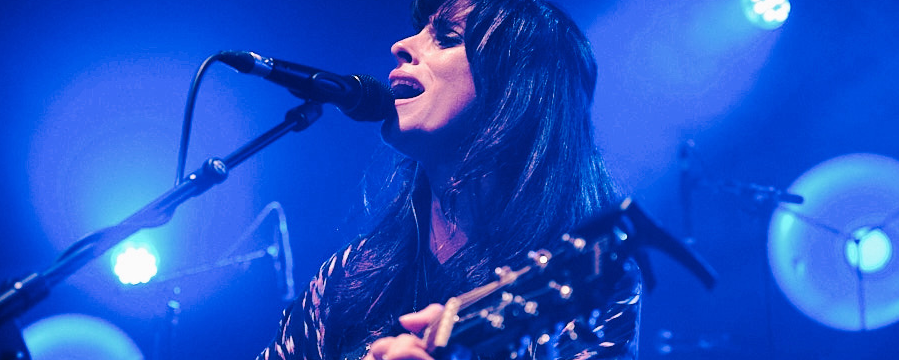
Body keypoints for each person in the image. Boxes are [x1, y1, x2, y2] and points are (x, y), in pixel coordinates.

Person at [258, 0, 641, 359]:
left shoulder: (586, 271)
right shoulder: (349, 276)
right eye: (420, 31)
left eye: (447, 38)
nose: (400, 46)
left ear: (516, 88)